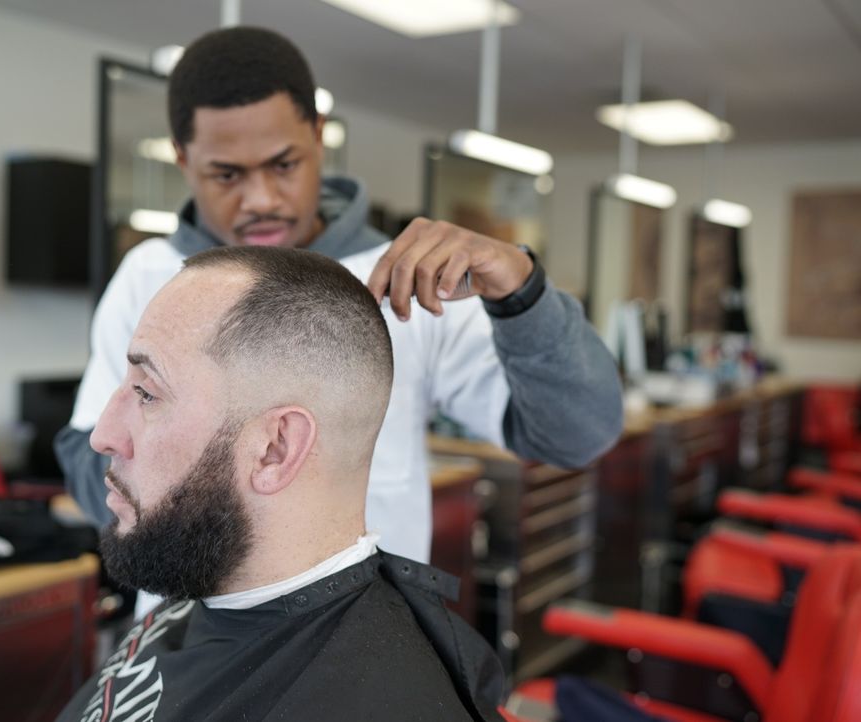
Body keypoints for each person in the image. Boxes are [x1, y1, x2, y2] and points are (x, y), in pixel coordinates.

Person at [56, 26, 623, 565]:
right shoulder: (149, 275)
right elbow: (89, 460)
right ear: (183, 159)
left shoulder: (412, 280)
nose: (261, 199)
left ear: (318, 136)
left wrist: (522, 295)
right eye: (227, 175)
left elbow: (576, 437)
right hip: (186, 645)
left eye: (284, 165)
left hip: (361, 646)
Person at [54, 246, 508, 722]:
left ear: (275, 449)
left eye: (147, 393)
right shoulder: (196, 593)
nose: (104, 436)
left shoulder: (377, 701)